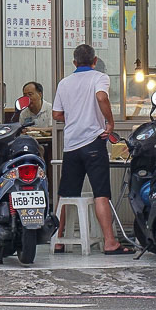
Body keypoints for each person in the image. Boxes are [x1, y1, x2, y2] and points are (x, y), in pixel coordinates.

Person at [52, 44, 135, 254]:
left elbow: (56, 115)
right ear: (95, 61)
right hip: (93, 143)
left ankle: (58, 240)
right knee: (101, 193)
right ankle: (109, 242)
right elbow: (101, 97)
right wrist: (110, 122)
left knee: (66, 194)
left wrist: (74, 116)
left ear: (74, 63)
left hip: (71, 145)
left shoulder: (64, 83)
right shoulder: (100, 77)